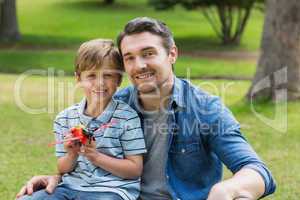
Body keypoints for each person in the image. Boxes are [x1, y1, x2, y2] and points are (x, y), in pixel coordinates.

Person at [16, 17, 276, 200]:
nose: (139, 65)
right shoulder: (115, 105)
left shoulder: (205, 109)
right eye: (129, 57)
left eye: (148, 53)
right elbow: (88, 161)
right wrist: (56, 178)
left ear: (172, 54)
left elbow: (257, 170)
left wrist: (227, 191)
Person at [18, 39, 147, 200]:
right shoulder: (64, 118)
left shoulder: (127, 117)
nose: (100, 83)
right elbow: (63, 168)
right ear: (78, 78)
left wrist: (95, 156)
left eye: (108, 75)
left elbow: (134, 169)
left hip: (112, 190)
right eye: (91, 75)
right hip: (70, 186)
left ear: (119, 80)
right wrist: (71, 154)